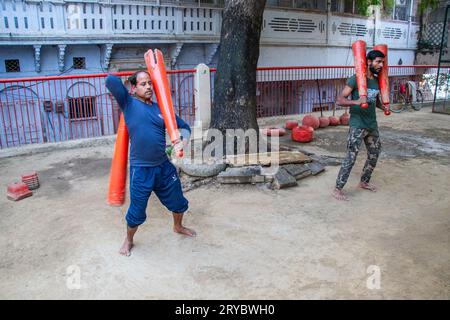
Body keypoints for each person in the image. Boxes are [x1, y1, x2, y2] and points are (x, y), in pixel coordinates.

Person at [106, 71, 196, 257]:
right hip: (141, 169)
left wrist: (183, 141)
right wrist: (137, 74)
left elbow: (185, 128)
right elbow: (110, 81)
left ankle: (177, 227)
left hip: (163, 166)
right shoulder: (128, 104)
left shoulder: (161, 109)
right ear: (134, 88)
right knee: (136, 212)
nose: (148, 87)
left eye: (150, 83)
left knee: (179, 202)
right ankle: (129, 239)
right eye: (143, 83)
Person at [332, 50, 389, 201]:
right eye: (377, 61)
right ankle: (337, 189)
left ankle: (364, 181)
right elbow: (340, 100)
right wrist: (355, 102)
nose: (380, 65)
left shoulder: (377, 80)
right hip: (357, 125)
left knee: (374, 154)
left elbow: (373, 99)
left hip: (371, 124)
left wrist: (382, 106)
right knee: (351, 157)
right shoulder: (356, 79)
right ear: (369, 62)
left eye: (382, 62)